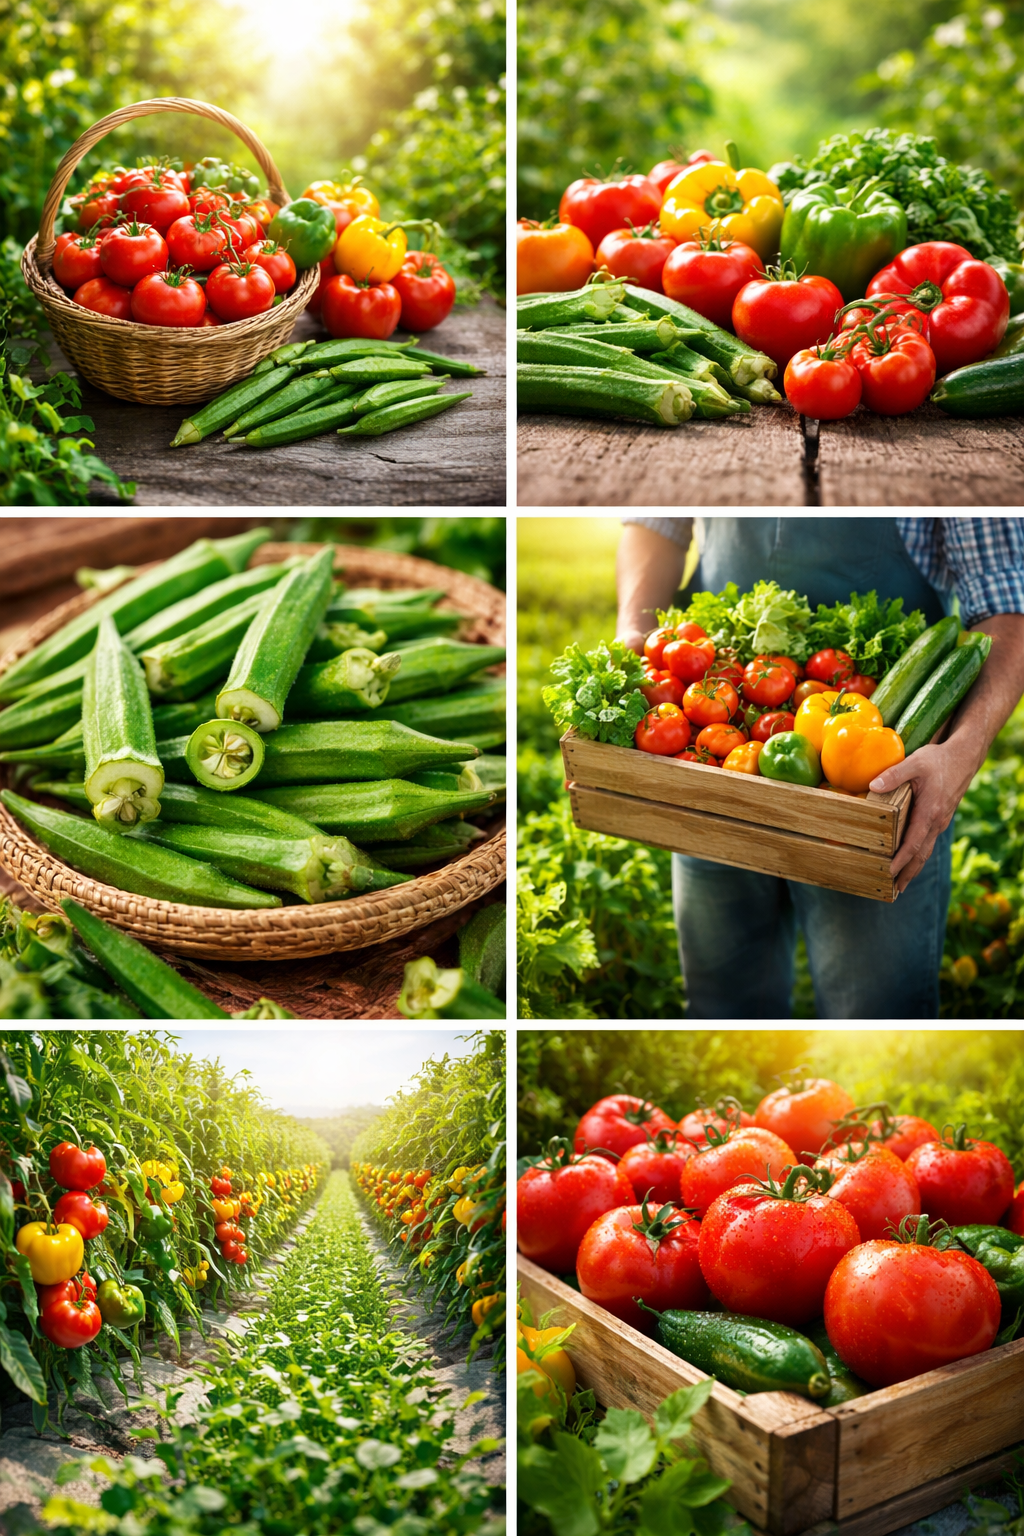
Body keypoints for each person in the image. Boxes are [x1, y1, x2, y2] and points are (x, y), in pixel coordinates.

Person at [615, 517, 1024, 1019]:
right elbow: (656, 524)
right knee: (721, 1000)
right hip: (715, 769)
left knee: (874, 1012)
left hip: (875, 793)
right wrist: (637, 635)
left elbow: (1009, 605)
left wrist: (962, 751)